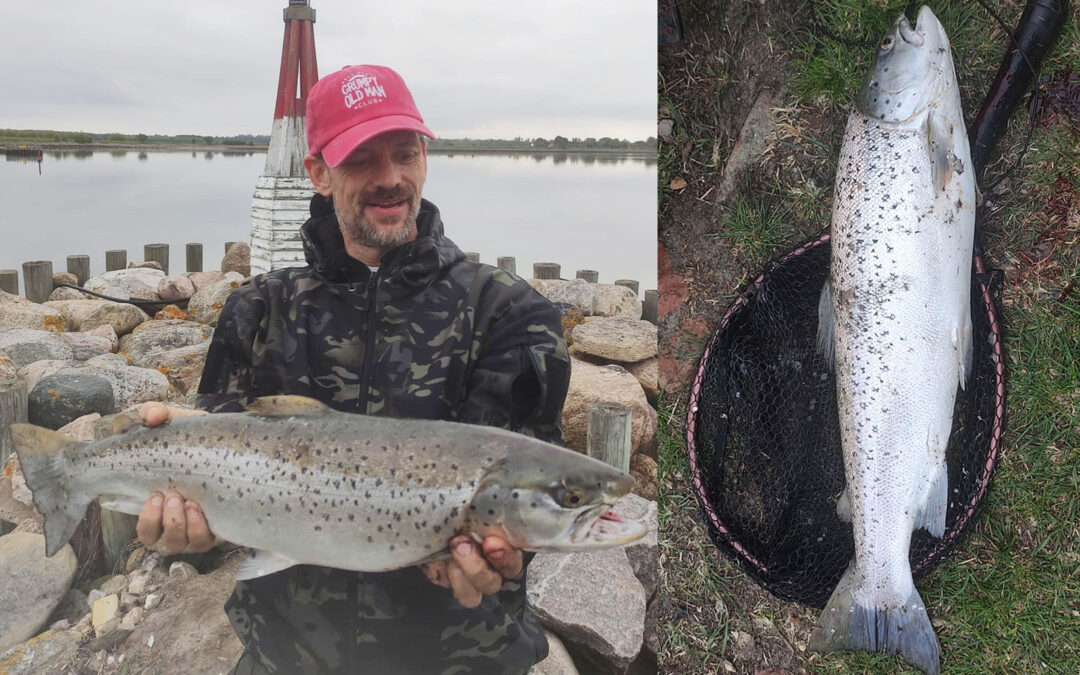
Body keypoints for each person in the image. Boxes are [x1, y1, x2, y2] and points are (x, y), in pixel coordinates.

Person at [136, 64, 571, 674]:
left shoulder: (510, 314)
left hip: (462, 659)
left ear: (425, 156)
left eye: (404, 152)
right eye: (363, 159)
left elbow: (529, 492)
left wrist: (502, 555)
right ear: (318, 171)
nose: (390, 178)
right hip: (284, 654)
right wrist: (190, 516)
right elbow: (219, 480)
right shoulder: (258, 310)